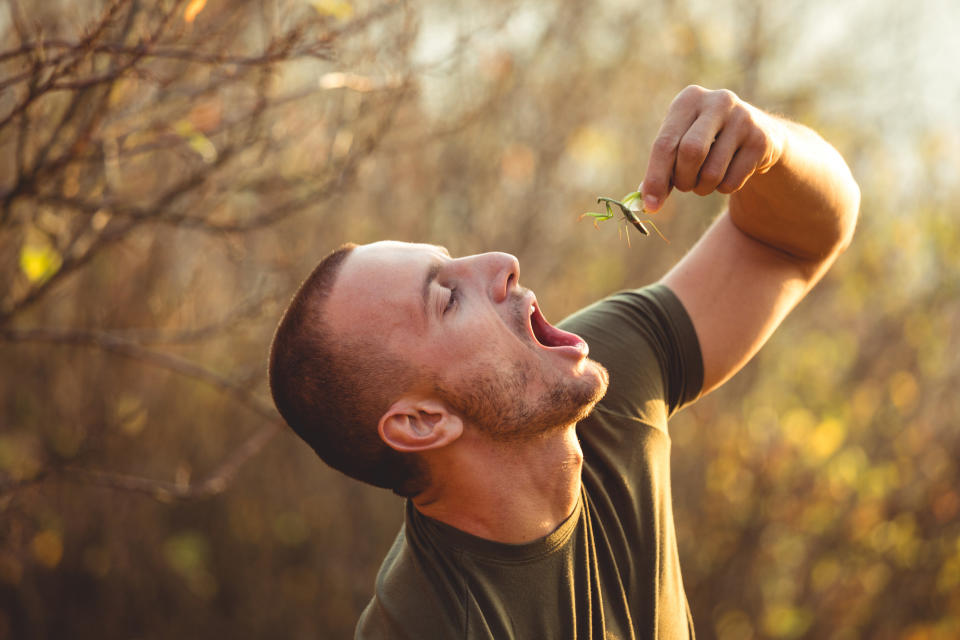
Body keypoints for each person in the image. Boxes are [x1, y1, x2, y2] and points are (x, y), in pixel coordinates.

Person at [268, 85, 860, 639]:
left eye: (455, 260)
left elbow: (792, 242)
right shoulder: (428, 624)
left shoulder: (603, 381)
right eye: (448, 298)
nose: (503, 261)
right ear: (422, 421)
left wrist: (772, 151)